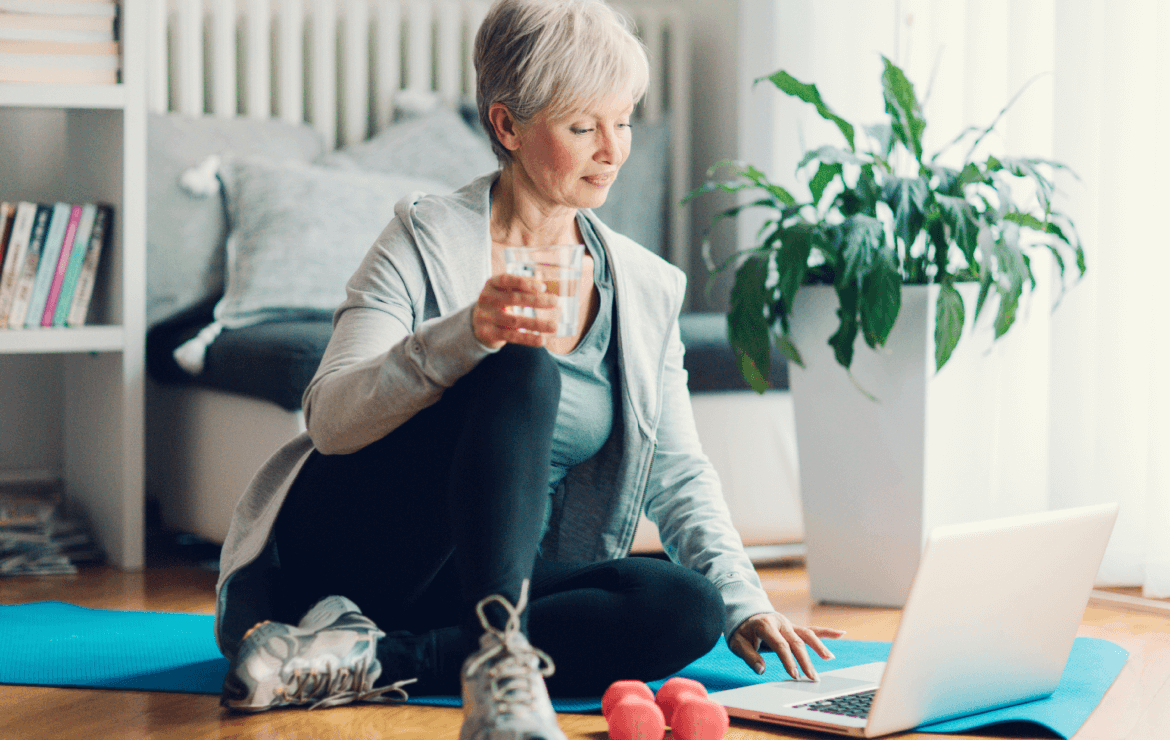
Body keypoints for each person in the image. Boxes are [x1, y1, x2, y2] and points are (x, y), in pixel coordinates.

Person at [215, 0, 845, 737]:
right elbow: (331, 418)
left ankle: (383, 660)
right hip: (348, 557)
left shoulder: (644, 288)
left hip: (478, 586)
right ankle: (487, 657)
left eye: (625, 121)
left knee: (686, 607)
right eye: (584, 128)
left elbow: (678, 473)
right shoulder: (423, 237)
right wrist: (464, 336)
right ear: (507, 126)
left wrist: (747, 600)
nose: (613, 150)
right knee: (521, 366)